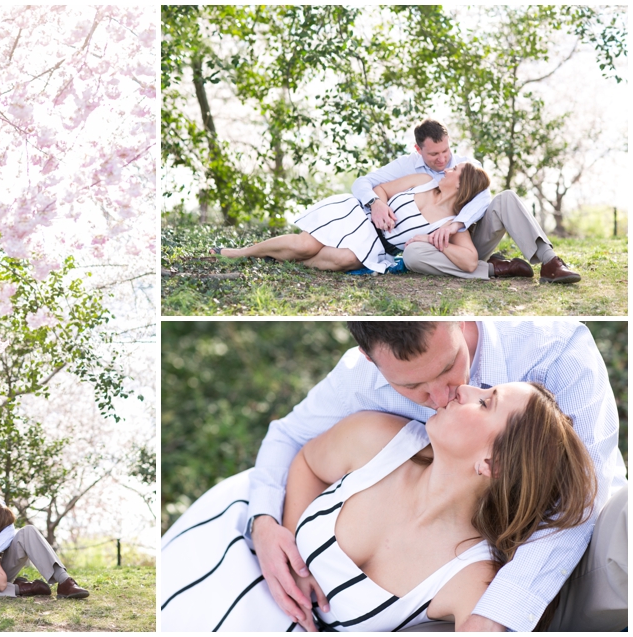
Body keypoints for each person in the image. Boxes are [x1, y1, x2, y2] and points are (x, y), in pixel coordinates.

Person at [247, 321, 626, 631]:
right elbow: (291, 437)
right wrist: (269, 525)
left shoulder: (554, 346)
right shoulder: (364, 400)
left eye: (448, 368)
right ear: (369, 360)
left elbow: (583, 501)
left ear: (458, 317)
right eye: (412, 387)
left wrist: (493, 616)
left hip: (587, 550)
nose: (449, 393)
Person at [161, 382, 596, 631]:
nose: (464, 388)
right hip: (229, 544)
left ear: (492, 462)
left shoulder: (470, 578)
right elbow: (308, 462)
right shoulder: (379, 440)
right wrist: (291, 544)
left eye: (485, 402)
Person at [352, 119, 581, 283]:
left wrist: (455, 225)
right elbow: (363, 182)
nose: (442, 160)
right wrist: (375, 203)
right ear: (418, 150)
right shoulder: (407, 166)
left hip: (469, 237)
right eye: (434, 155)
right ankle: (495, 268)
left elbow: (483, 197)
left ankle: (550, 262)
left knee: (507, 198)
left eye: (445, 150)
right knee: (413, 255)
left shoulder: (465, 165)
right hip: (441, 248)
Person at [209, 162, 490, 275]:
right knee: (306, 245)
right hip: (357, 213)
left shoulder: (453, 222)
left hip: (377, 243)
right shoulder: (424, 180)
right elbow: (381, 189)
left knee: (347, 260)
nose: (448, 168)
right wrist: (379, 205)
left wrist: (435, 241)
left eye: (455, 169)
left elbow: (468, 260)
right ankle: (241, 252)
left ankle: (276, 257)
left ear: (462, 183)